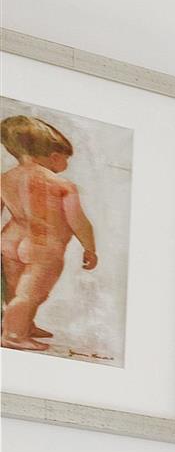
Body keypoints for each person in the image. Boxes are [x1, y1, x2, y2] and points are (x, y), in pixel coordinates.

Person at [1, 114, 99, 352]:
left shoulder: (4, 179)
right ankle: (13, 335)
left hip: (9, 240)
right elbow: (79, 221)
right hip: (43, 247)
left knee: (15, 292)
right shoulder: (61, 185)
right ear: (55, 156)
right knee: (31, 294)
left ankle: (25, 325)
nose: (66, 164)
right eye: (66, 159)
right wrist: (90, 248)